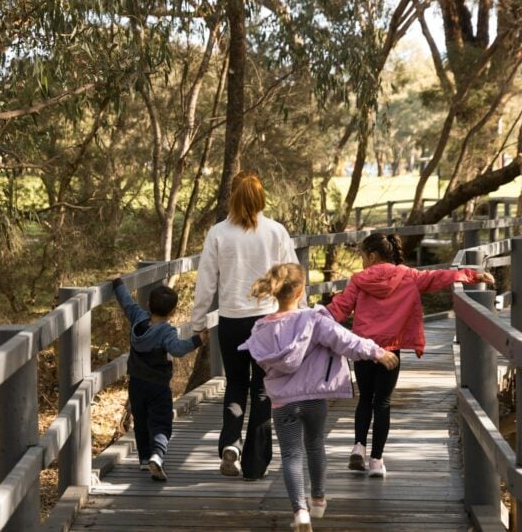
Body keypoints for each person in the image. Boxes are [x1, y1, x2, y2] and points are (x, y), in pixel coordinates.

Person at [239, 263, 399, 531]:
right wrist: (377, 352)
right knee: (314, 446)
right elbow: (345, 340)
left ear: (274, 292)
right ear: (300, 290)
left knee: (291, 455)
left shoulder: (261, 328)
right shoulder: (313, 320)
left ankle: (300, 512)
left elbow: (257, 358)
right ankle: (318, 499)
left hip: (282, 401)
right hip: (314, 398)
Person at [321, 232, 495, 478]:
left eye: (362, 256)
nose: (362, 261)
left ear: (372, 256)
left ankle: (358, 446)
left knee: (365, 399)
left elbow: (339, 308)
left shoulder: (358, 280)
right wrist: (472, 275)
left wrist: (310, 318)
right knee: (382, 402)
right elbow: (437, 277)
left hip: (363, 349)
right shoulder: (408, 276)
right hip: (390, 351)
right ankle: (376, 461)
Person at [190, 169, 303, 481]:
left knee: (236, 383)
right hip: (268, 322)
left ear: (232, 197)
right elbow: (294, 277)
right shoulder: (276, 232)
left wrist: (198, 322)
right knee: (263, 387)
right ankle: (255, 463)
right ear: (261, 197)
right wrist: (300, 316)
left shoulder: (218, 233)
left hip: (231, 321)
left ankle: (231, 442)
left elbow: (205, 283)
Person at [112, 276, 208, 481]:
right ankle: (157, 454)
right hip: (158, 386)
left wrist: (117, 283)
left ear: (148, 304)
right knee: (161, 422)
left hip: (136, 384)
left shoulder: (137, 318)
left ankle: (144, 459)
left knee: (141, 420)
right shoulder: (166, 331)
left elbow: (126, 301)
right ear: (173, 312)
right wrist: (197, 340)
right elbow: (177, 349)